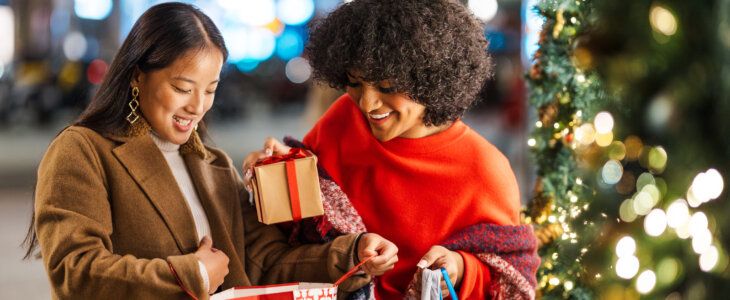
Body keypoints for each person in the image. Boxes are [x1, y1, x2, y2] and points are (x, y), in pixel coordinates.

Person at [22, 3, 397, 300]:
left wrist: (352, 254)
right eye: (183, 88)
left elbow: (266, 262)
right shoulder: (83, 151)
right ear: (137, 74)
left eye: (211, 89)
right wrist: (192, 274)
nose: (198, 106)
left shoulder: (212, 163)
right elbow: (75, 273)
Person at [243, 0, 540, 299]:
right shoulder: (343, 119)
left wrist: (462, 268)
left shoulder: (485, 170)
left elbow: (512, 277)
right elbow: (299, 229)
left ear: (430, 79)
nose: (367, 104)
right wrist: (280, 172)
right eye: (355, 83)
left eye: (386, 88)